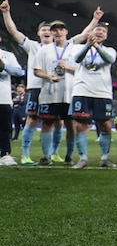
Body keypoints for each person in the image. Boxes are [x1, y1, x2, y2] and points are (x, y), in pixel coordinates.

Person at [1, 0, 102, 165]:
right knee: (33, 120)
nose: (49, 32)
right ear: (39, 33)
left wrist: (95, 19)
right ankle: (28, 154)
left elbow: (84, 35)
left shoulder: (71, 45)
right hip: (38, 88)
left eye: (53, 29)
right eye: (45, 30)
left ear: (64, 32)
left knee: (62, 122)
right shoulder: (34, 46)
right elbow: (13, 32)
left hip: (65, 90)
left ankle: (56, 154)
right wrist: (6, 13)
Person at [32, 20, 85, 166]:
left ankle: (69, 156)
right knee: (47, 124)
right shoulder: (44, 50)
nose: (58, 32)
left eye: (61, 29)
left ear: (66, 32)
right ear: (51, 32)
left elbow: (81, 70)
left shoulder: (75, 49)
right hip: (49, 94)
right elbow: (36, 70)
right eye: (55, 30)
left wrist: (66, 67)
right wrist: (48, 76)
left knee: (70, 125)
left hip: (70, 93)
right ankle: (46, 156)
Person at [68, 23, 117, 168]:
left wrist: (95, 46)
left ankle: (104, 158)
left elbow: (110, 60)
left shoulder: (110, 50)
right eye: (97, 30)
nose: (100, 32)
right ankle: (83, 158)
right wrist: (88, 46)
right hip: (81, 90)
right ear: (90, 33)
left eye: (103, 31)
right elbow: (77, 59)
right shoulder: (78, 47)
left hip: (102, 92)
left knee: (106, 125)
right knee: (80, 125)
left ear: (106, 36)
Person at [0, 40, 26, 165]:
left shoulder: (7, 55)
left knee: (5, 129)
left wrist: (4, 66)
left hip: (3, 98)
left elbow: (19, 72)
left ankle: (5, 155)